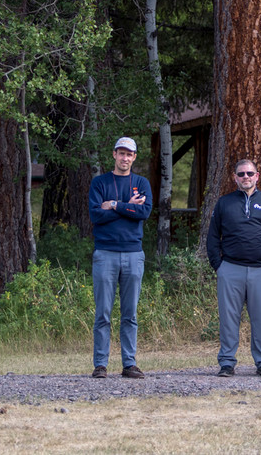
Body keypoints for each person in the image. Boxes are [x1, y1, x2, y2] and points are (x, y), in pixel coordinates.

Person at [206, 158, 261, 378]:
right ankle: (226, 362)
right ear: (234, 177)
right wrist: (219, 265)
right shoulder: (224, 203)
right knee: (228, 318)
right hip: (230, 268)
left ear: (257, 176)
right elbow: (213, 236)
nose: (246, 177)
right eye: (241, 174)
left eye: (250, 174)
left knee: (260, 319)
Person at [89, 136, 153, 379]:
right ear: (114, 154)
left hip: (133, 254)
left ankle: (129, 363)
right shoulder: (100, 183)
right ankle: (100, 365)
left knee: (130, 313)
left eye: (129, 154)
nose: (125, 158)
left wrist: (115, 205)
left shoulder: (141, 183)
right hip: (105, 253)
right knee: (103, 312)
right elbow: (96, 216)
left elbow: (144, 212)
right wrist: (128, 207)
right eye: (121, 153)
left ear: (134, 157)